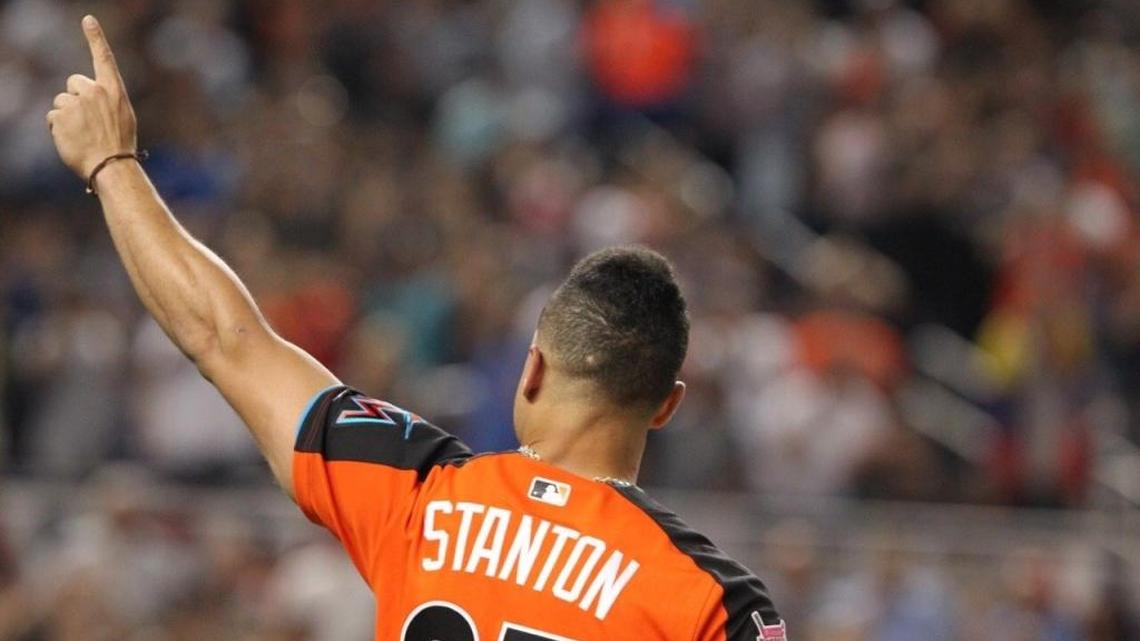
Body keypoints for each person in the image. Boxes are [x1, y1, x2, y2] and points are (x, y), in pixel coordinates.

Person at [46, 15, 785, 641]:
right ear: (666, 403)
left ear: (532, 370)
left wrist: (112, 164)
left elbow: (225, 336)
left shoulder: (416, 487)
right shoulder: (713, 603)